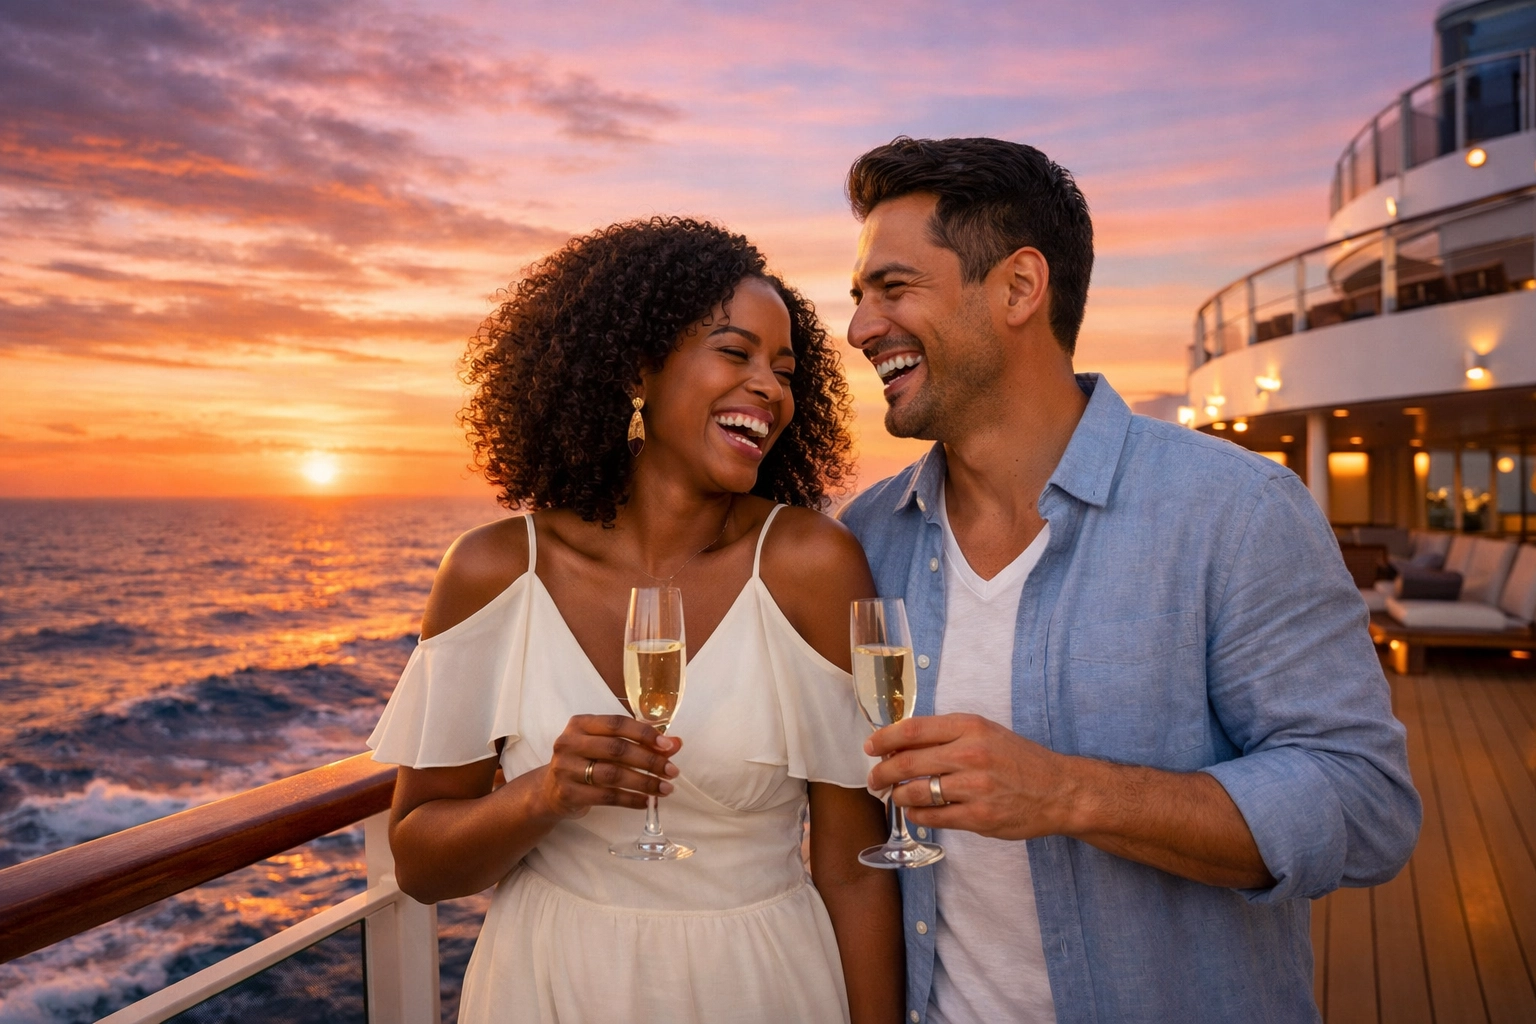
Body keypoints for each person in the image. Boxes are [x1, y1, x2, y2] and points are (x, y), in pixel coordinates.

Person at [836, 137, 1421, 1024]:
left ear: (1020, 288)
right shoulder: (867, 534)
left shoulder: (1236, 510)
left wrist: (1069, 792)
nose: (860, 328)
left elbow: (1366, 804)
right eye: (859, 296)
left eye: (894, 288)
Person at [368, 217, 903, 1024]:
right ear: (637, 369)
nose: (770, 387)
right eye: (736, 352)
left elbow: (856, 871)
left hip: (760, 987)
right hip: (543, 988)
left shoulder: (811, 566)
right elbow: (419, 862)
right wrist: (545, 795)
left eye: (785, 369)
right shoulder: (492, 572)